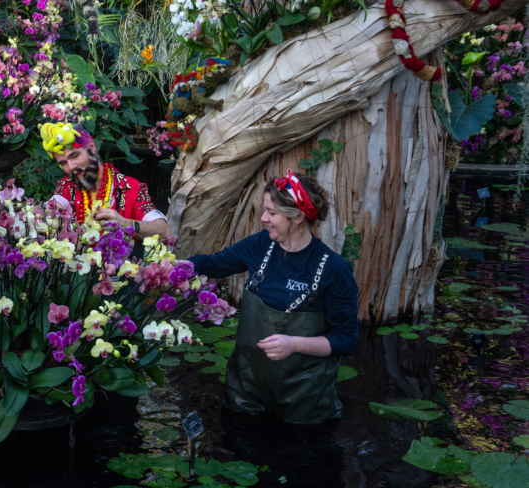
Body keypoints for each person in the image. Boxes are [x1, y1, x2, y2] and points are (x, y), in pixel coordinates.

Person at [187, 169, 358, 423]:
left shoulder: (334, 269)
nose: (264, 218)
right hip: (246, 393)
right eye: (264, 210)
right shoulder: (260, 245)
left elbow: (347, 340)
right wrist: (170, 267)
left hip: (304, 402)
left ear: (298, 217)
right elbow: (212, 264)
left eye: (273, 213)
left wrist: (294, 344)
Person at [42, 122, 172, 239]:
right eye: (64, 163)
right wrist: (49, 209)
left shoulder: (130, 187)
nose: (71, 167)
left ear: (92, 147)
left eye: (75, 156)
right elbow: (55, 203)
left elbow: (165, 232)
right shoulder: (67, 186)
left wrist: (126, 224)